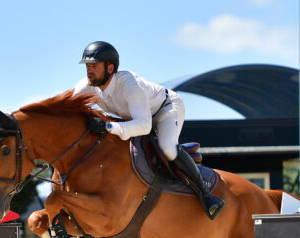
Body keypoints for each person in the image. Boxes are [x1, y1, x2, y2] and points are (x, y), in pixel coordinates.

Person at [73, 41, 225, 220]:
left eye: (94, 66)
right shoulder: (86, 86)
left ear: (110, 67)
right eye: (88, 66)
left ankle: (206, 194)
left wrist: (107, 127)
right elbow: (69, 111)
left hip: (165, 110)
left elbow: (144, 126)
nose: (89, 71)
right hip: (135, 119)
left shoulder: (129, 84)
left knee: (167, 148)